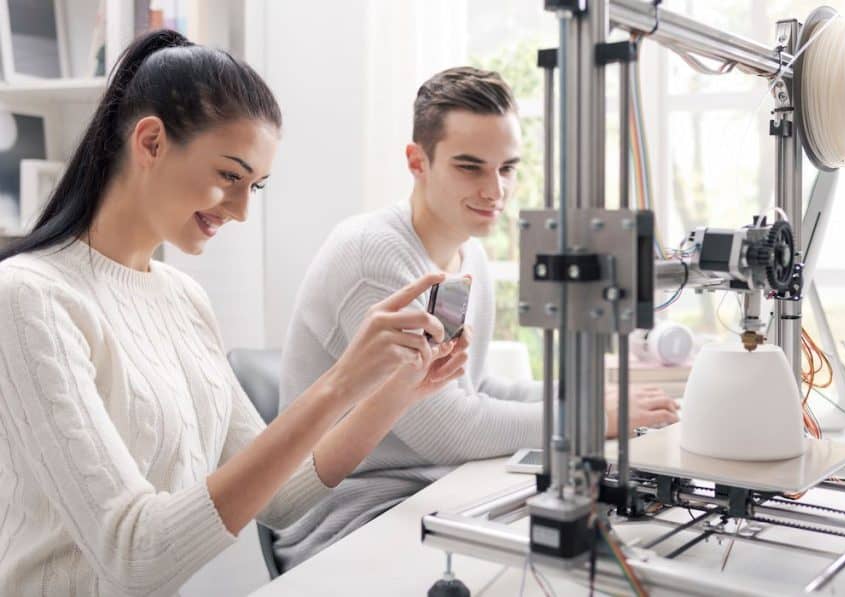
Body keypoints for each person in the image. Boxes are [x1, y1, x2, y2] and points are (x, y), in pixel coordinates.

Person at [0, 31, 467, 597]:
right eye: (230, 176)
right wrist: (341, 381)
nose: (242, 210)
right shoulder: (30, 297)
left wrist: (393, 390)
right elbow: (135, 556)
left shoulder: (182, 298)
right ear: (150, 142)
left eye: (255, 187)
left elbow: (283, 498)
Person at [274, 66, 679, 570]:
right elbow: (451, 429)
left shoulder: (470, 256)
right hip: (352, 516)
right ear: (416, 161)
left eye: (507, 168)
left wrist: (592, 398)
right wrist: (588, 417)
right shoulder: (373, 255)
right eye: (470, 167)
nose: (495, 191)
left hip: (437, 490)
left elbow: (476, 387)